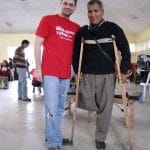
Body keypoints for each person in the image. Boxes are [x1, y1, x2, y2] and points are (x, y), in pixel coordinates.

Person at [73, 0, 131, 149]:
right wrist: (76, 72)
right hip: (87, 75)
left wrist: (123, 71)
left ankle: (100, 137)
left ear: (102, 11)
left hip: (107, 75)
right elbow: (75, 54)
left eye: (96, 11)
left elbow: (125, 50)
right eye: (90, 11)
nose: (93, 14)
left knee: (105, 108)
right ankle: (98, 112)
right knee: (86, 100)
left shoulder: (113, 28)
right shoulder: (82, 31)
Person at [34, 0, 79, 149]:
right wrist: (38, 69)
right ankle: (53, 142)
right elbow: (37, 44)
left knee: (60, 108)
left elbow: (76, 53)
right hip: (50, 72)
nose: (68, 6)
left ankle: (54, 136)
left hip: (66, 73)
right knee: (51, 108)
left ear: (75, 7)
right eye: (65, 3)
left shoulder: (76, 28)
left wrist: (76, 72)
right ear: (61, 4)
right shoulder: (48, 19)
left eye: (71, 4)